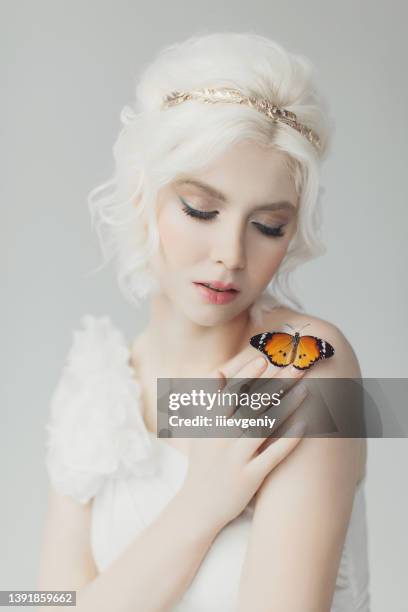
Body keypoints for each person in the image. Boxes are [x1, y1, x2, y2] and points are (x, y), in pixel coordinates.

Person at [37, 32, 370, 611]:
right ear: (143, 195)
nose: (232, 254)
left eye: (268, 225)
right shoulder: (93, 385)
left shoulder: (308, 364)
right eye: (201, 210)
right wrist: (202, 504)